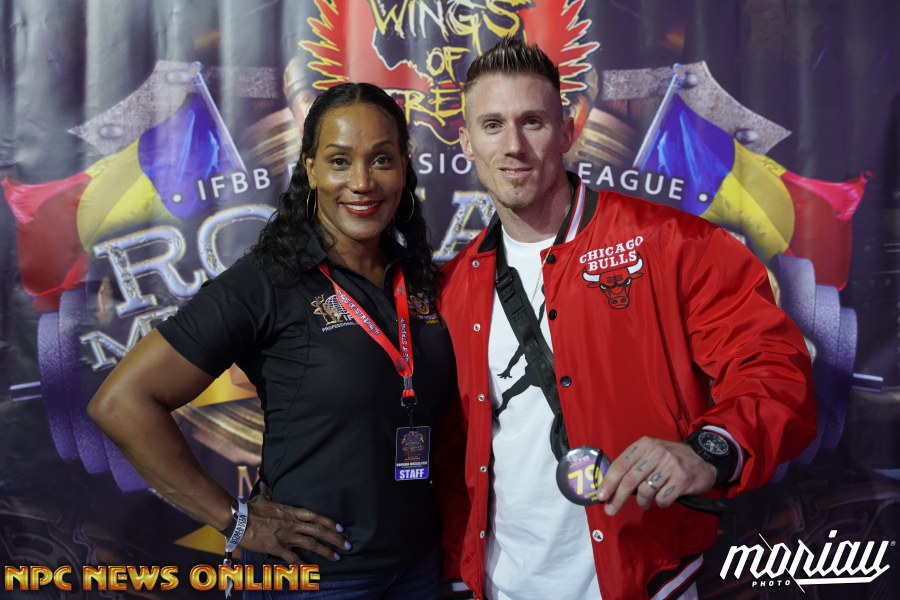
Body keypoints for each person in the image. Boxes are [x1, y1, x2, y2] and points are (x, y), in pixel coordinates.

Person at [434, 37, 816, 600]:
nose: (513, 145)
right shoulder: (452, 286)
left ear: (567, 131)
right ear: (467, 141)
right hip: (498, 584)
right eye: (492, 125)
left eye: (533, 122)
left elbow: (773, 367)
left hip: (648, 578)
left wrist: (709, 449)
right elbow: (450, 453)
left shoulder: (671, 243)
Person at [88, 82, 456, 599]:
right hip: (317, 578)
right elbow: (121, 402)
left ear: (403, 168)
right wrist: (235, 521)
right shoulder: (269, 280)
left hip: (419, 566)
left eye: (381, 159)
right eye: (339, 161)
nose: (362, 181)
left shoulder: (416, 278)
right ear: (310, 169)